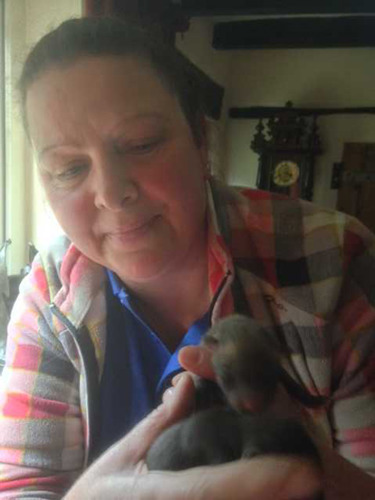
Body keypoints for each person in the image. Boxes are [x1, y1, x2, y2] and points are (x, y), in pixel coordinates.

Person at [0, 16, 375, 499]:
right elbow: (22, 486)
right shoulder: (48, 298)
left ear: (202, 141)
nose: (113, 194)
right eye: (69, 168)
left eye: (142, 144)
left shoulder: (335, 262)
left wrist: (304, 459)